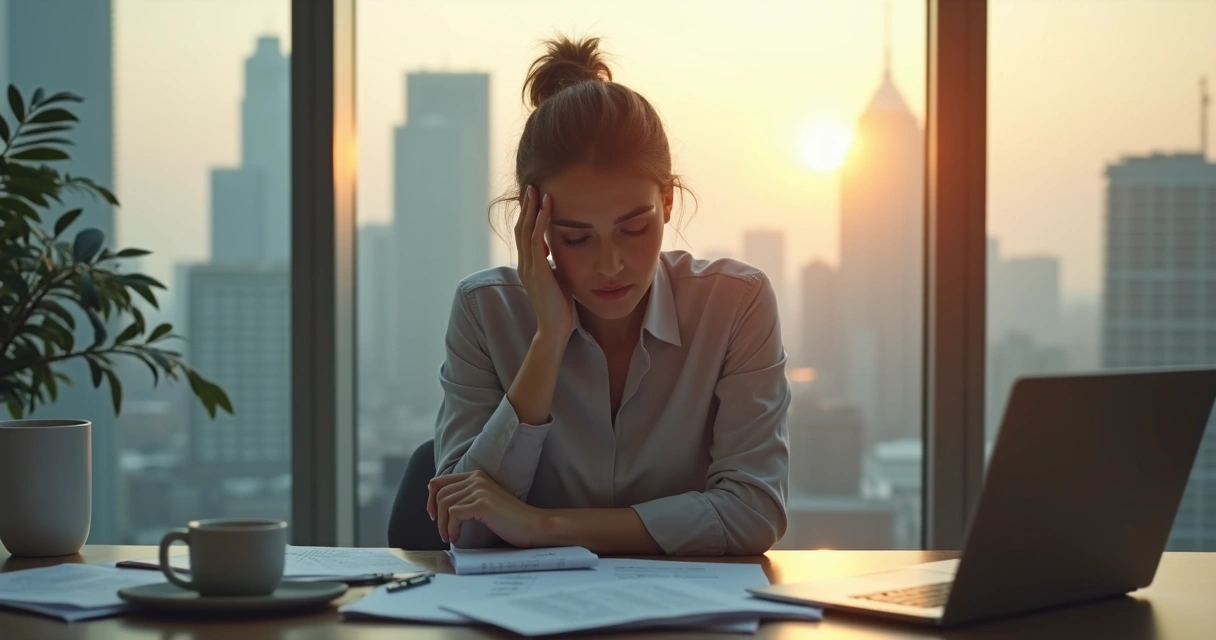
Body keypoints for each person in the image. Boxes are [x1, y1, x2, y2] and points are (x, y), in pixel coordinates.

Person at [426, 35, 790, 556]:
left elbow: (754, 512)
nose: (610, 264)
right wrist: (549, 339)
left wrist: (543, 526)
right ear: (536, 225)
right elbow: (465, 524)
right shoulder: (485, 312)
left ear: (666, 202)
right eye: (576, 238)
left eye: (634, 229)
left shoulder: (736, 304)